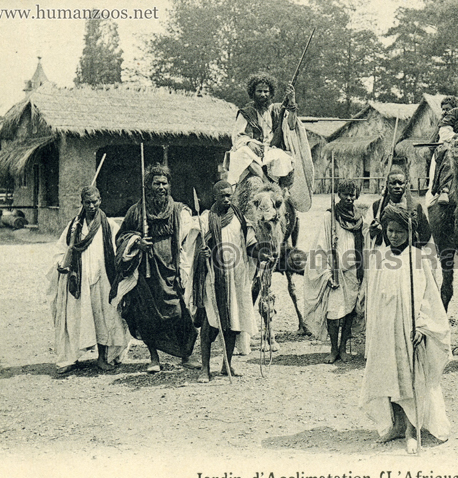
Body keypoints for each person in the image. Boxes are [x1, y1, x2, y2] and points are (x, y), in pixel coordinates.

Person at [360, 204, 451, 454]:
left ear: (409, 233)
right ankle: (396, 425)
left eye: (399, 231)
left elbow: (428, 297)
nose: (394, 236)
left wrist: (422, 325)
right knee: (389, 375)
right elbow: (375, 296)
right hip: (385, 327)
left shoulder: (417, 258)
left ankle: (413, 429)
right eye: (390, 230)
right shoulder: (380, 256)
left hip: (409, 327)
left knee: (411, 377)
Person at [110, 164, 199, 373]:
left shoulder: (178, 211)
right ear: (148, 186)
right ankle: (153, 358)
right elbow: (121, 237)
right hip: (146, 273)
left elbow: (189, 238)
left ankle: (186, 354)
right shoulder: (136, 211)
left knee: (178, 311)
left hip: (170, 270)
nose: (161, 187)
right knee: (147, 315)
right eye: (156, 183)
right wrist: (136, 242)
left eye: (164, 183)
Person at [47, 186, 129, 374]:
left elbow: (120, 248)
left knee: (104, 318)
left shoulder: (109, 225)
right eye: (87, 202)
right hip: (79, 281)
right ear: (82, 203)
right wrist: (61, 263)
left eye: (95, 201)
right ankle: (70, 358)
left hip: (103, 280)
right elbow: (61, 250)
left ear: (101, 200)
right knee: (75, 318)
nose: (92, 206)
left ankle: (103, 358)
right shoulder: (74, 226)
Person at [193, 181, 257, 382]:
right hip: (214, 277)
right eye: (223, 196)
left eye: (229, 195)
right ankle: (205, 369)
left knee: (233, 322)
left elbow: (249, 245)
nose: (227, 199)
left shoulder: (240, 218)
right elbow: (196, 248)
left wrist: (262, 254)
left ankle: (226, 365)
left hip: (236, 277)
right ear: (215, 197)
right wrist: (203, 253)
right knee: (210, 322)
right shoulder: (206, 219)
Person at [303, 179, 364, 363]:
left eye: (353, 195)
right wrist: (327, 272)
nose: (349, 198)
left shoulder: (360, 218)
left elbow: (365, 242)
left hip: (353, 270)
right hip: (335, 270)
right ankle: (333, 348)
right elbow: (321, 245)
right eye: (346, 194)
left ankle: (344, 347)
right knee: (333, 312)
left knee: (349, 311)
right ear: (339, 195)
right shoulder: (330, 217)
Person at [227, 73, 310, 192]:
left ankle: (278, 189)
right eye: (259, 91)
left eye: (266, 91)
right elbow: (237, 137)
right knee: (241, 153)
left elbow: (291, 125)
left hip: (270, 150)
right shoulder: (246, 112)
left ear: (271, 93)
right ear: (253, 93)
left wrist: (292, 100)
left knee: (282, 157)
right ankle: (266, 183)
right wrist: (249, 143)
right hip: (253, 151)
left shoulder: (277, 110)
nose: (263, 94)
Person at [365, 168, 431, 249]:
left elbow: (425, 235)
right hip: (384, 253)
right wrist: (371, 232)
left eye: (400, 183)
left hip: (408, 253)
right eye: (393, 183)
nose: (397, 186)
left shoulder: (415, 206)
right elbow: (365, 232)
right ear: (387, 184)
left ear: (406, 184)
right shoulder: (377, 206)